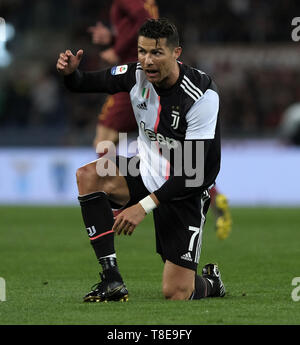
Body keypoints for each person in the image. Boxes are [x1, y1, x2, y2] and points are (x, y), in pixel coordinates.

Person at [56, 18, 226, 302]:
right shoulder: (134, 74)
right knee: (89, 175)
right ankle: (111, 280)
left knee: (176, 292)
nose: (147, 61)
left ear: (176, 53)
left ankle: (211, 283)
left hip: (186, 189)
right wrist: (71, 74)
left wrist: (142, 207)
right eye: (142, 51)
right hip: (145, 169)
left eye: (156, 53)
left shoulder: (201, 96)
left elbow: (190, 172)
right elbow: (84, 82)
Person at [87, 0, 159, 150]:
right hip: (148, 70)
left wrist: (117, 50)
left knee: (104, 141)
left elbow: (145, 21)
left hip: (134, 75)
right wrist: (114, 39)